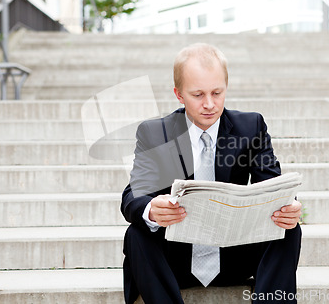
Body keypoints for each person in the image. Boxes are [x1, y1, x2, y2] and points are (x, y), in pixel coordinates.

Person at [121, 43, 302, 304]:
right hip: (175, 261)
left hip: (235, 255)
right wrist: (152, 208)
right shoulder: (154, 133)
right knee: (137, 233)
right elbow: (132, 197)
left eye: (217, 92)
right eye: (198, 94)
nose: (209, 104)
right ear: (179, 94)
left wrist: (287, 206)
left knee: (289, 229)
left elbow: (272, 187)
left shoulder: (251, 127)